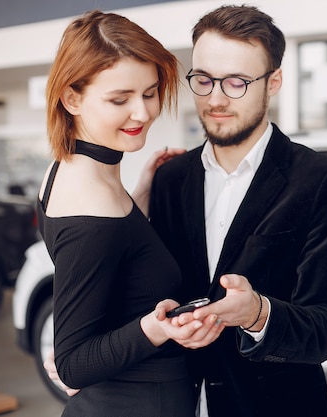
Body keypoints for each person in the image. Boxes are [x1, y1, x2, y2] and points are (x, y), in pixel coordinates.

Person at [149, 5, 327, 417]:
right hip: (175, 402)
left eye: (237, 83)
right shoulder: (169, 178)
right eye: (204, 80)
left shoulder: (322, 181)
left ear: (274, 81)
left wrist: (258, 313)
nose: (216, 98)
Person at [37, 10, 223, 417]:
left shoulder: (69, 167)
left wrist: (139, 195)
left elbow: (112, 258)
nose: (142, 113)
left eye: (151, 92)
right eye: (119, 99)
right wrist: (158, 328)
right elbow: (71, 363)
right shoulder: (92, 207)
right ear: (72, 98)